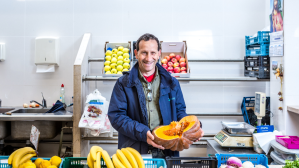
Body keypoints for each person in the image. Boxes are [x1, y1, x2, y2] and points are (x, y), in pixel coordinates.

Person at [108, 33, 204, 158]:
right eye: (144, 52)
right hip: (134, 153)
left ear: (159, 53)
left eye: (153, 53)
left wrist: (194, 128)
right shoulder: (123, 83)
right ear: (136, 53)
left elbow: (180, 112)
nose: (148, 58)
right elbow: (117, 117)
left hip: (167, 153)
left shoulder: (172, 82)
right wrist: (143, 133)